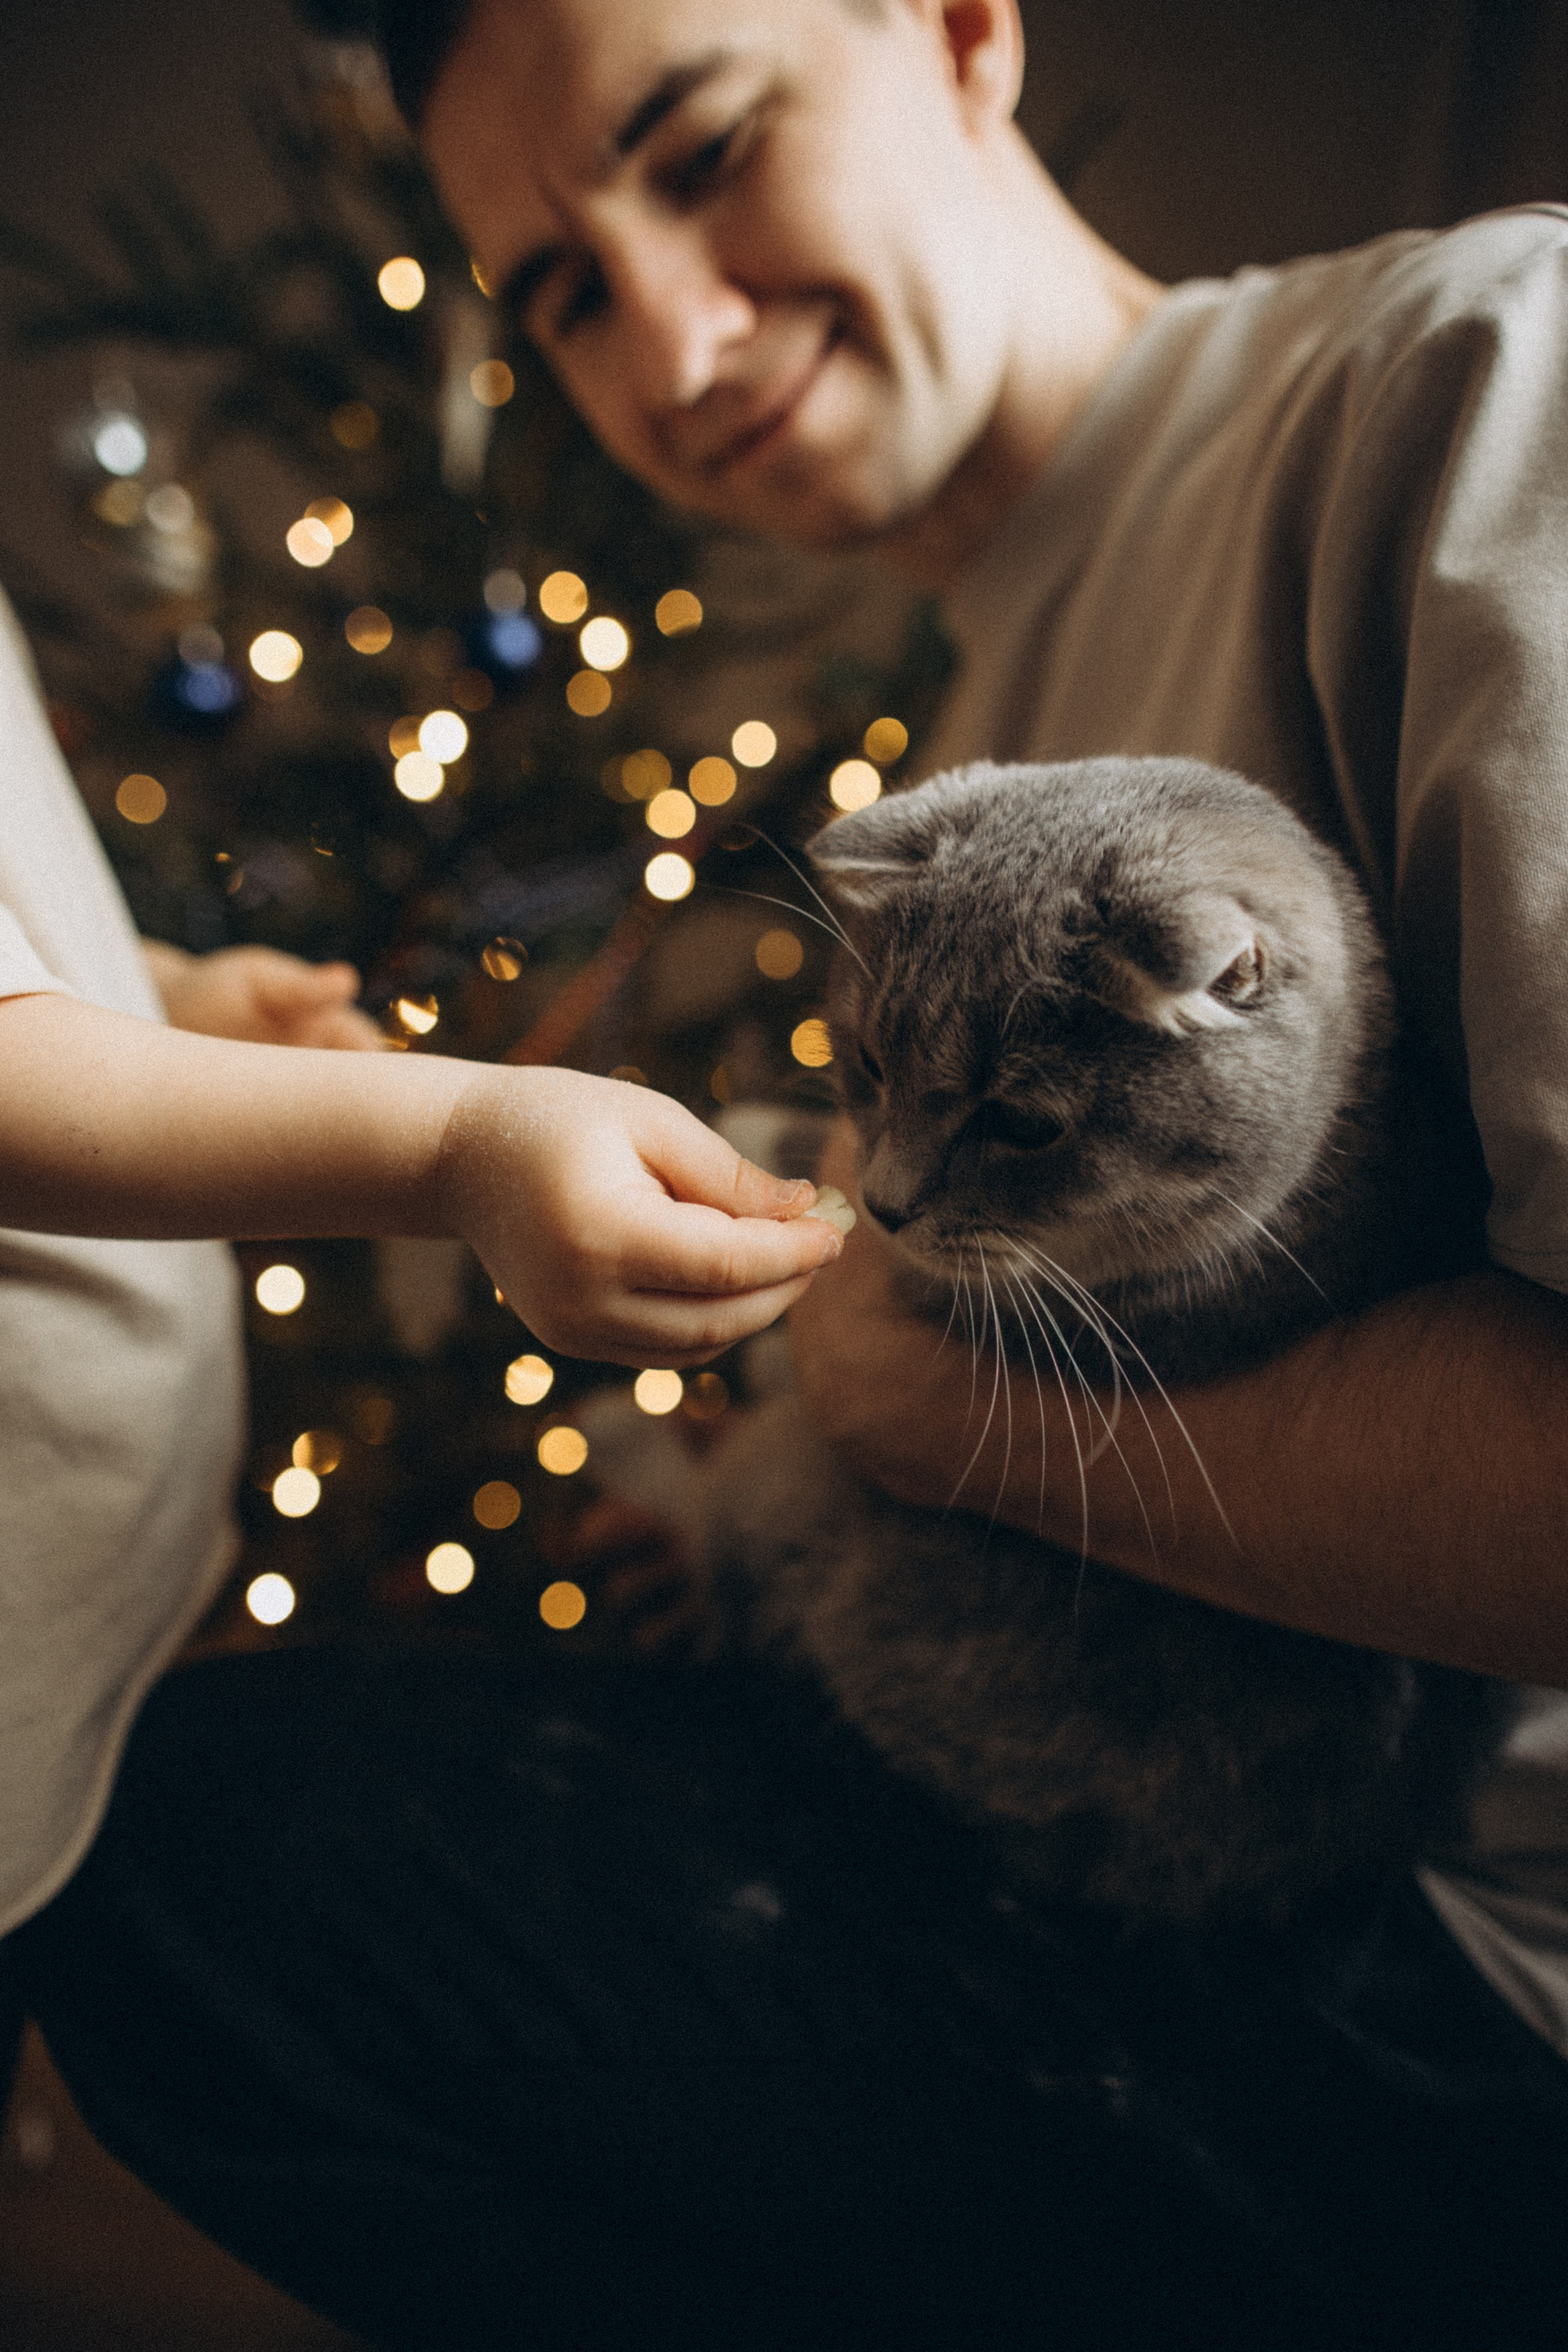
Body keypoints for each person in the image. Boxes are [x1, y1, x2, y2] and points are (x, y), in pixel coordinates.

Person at [8, 0, 1568, 2344]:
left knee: (212, 1876)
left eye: (707, 142)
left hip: (1440, 1980)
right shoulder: (958, 740)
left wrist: (917, 1403)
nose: (673, 335)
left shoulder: (1481, 388)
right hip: (1089, 1806)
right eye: (557, 288)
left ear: (958, 29)